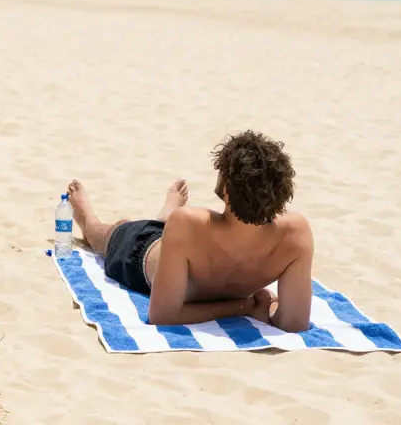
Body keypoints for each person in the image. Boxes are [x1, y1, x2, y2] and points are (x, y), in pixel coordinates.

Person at [66, 130, 314, 332]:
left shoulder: (189, 224)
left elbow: (162, 315)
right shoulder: (294, 235)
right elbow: (291, 322)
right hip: (142, 250)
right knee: (103, 236)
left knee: (165, 227)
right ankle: (86, 216)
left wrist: (246, 307)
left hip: (164, 245)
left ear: (226, 190)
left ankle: (162, 214)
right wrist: (242, 306)